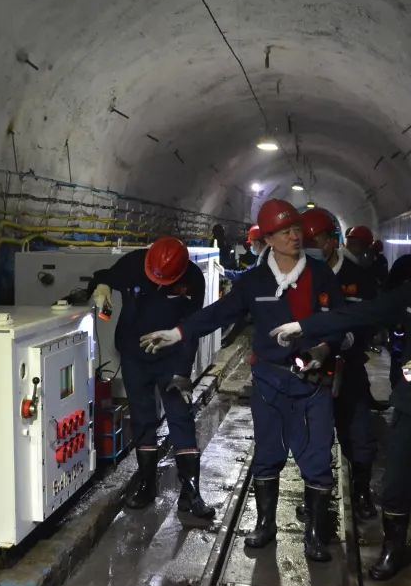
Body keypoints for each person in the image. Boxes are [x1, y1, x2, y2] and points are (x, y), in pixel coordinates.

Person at [269, 209, 411, 586]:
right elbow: (362, 313)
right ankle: (392, 550)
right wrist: (305, 327)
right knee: (397, 486)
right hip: (407, 409)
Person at [140, 199, 346, 562]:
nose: (294, 236)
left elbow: (339, 321)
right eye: (285, 232)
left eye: (296, 229)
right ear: (268, 238)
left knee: (316, 456)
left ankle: (314, 534)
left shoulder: (320, 275)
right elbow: (220, 313)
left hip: (312, 382)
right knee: (267, 453)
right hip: (270, 380)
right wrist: (177, 333)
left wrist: (324, 349)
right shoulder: (254, 281)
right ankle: (265, 524)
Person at [89, 236, 214, 522]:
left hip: (171, 357)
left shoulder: (193, 278)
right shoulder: (133, 263)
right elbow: (105, 275)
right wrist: (103, 288)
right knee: (143, 417)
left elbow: (192, 327)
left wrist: (183, 372)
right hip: (134, 355)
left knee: (180, 416)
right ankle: (147, 483)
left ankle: (191, 491)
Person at [300, 208, 380, 519]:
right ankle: (316, 495)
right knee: (313, 435)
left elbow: (371, 317)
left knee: (358, 430)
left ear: (333, 241)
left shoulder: (358, 277)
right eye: (306, 242)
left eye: (317, 240)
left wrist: (351, 340)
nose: (312, 247)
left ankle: (361, 491)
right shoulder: (302, 276)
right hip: (313, 368)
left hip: (349, 365)